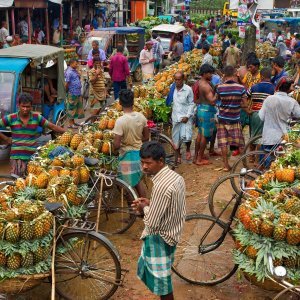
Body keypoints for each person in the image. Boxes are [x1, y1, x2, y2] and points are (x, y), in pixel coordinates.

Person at [132, 141, 186, 300]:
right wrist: (151, 204)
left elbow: (152, 224)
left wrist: (143, 209)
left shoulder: (161, 186)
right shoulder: (175, 177)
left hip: (160, 238)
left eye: (148, 163)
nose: (144, 167)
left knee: (163, 285)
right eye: (142, 162)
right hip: (173, 231)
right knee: (163, 276)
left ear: (160, 161)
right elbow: (171, 205)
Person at [0, 93, 65, 177]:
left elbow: (52, 126)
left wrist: (68, 132)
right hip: (16, 158)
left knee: (31, 181)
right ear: (18, 105)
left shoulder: (37, 117)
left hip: (32, 157)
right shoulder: (11, 118)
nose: (25, 109)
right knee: (17, 183)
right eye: (23, 106)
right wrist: (6, 139)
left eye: (28, 107)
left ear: (31, 106)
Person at [113, 89, 149, 197]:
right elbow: (146, 137)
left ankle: (133, 210)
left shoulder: (120, 121)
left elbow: (116, 145)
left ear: (120, 103)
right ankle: (144, 208)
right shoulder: (141, 117)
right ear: (133, 102)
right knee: (138, 182)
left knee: (126, 186)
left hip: (127, 157)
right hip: (140, 154)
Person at [216, 66, 247, 171]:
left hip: (222, 119)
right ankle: (245, 165)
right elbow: (245, 104)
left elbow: (217, 100)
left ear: (225, 74)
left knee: (223, 143)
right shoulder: (241, 88)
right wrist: (237, 104)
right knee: (240, 143)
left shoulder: (219, 87)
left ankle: (225, 165)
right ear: (234, 73)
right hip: (235, 119)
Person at [259, 77, 300, 150]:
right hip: (282, 137)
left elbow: (261, 117)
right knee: (279, 158)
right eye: (292, 86)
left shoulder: (269, 98)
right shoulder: (292, 102)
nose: (294, 89)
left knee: (266, 158)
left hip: (268, 136)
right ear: (288, 88)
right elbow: (298, 115)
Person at [168, 71, 195, 162]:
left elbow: (191, 103)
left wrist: (187, 116)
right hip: (176, 116)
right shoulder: (172, 89)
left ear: (183, 80)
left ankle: (187, 149)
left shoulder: (188, 89)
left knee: (188, 136)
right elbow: (169, 101)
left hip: (186, 116)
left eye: (179, 79)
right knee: (176, 137)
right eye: (175, 80)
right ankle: (178, 154)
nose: (177, 81)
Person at [246, 67, 275, 150]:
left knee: (253, 134)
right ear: (270, 77)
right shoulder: (274, 88)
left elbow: (245, 96)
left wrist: (247, 109)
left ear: (261, 76)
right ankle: (257, 159)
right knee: (262, 136)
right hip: (267, 114)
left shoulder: (254, 87)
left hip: (255, 114)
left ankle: (251, 156)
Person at [193, 64, 217, 166]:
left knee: (199, 134)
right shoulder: (206, 86)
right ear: (204, 74)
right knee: (205, 136)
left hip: (201, 109)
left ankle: (196, 157)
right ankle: (199, 158)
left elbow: (196, 99)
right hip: (207, 111)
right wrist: (218, 93)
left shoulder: (199, 83)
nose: (211, 75)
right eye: (209, 73)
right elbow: (212, 101)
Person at [64, 58, 84, 128]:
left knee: (75, 108)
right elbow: (67, 83)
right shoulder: (69, 72)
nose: (77, 65)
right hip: (72, 92)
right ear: (71, 63)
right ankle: (70, 124)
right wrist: (67, 91)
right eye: (76, 64)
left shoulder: (74, 70)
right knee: (71, 108)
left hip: (77, 92)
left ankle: (73, 122)